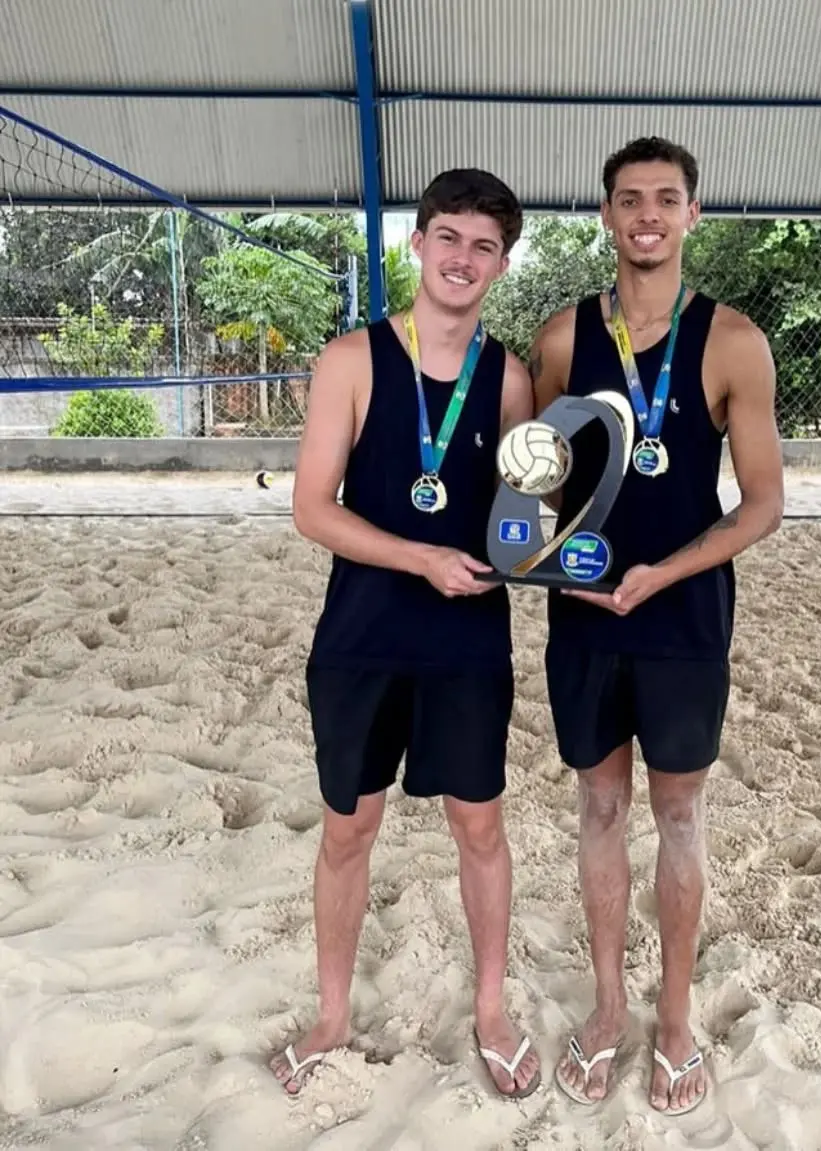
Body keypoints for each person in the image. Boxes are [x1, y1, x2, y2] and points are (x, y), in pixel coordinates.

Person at [271, 168, 540, 1100]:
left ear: (502, 265)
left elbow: (521, 519)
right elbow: (313, 508)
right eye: (449, 238)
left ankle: (492, 1009)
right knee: (349, 829)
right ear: (418, 243)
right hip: (362, 635)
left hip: (468, 643)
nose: (463, 259)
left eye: (484, 247)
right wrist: (417, 556)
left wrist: (549, 540)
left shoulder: (509, 379)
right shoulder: (351, 360)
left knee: (480, 825)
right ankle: (332, 1014)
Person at [528, 136, 784, 1115]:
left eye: (665, 198)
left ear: (692, 214)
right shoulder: (561, 339)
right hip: (586, 613)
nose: (647, 214)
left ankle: (674, 1018)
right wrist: (551, 561)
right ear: (605, 214)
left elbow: (762, 503)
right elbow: (531, 483)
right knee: (599, 806)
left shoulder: (733, 341)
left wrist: (663, 572)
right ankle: (607, 1009)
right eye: (629, 198)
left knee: (678, 814)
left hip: (682, 615)